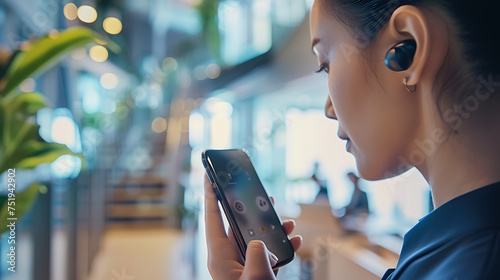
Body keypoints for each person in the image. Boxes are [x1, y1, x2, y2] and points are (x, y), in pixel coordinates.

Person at [205, 0, 500, 279]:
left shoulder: (464, 266)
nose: (329, 109)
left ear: (408, 48)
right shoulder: (456, 248)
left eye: (326, 65)